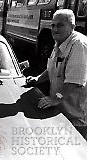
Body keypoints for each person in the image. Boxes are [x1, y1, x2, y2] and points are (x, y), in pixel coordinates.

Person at [26, 9, 87, 139]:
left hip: (75, 119)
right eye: (53, 25)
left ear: (72, 27)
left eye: (60, 25)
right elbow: (52, 69)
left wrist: (55, 99)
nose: (55, 29)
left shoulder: (78, 45)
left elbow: (75, 82)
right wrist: (37, 79)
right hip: (60, 113)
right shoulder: (60, 41)